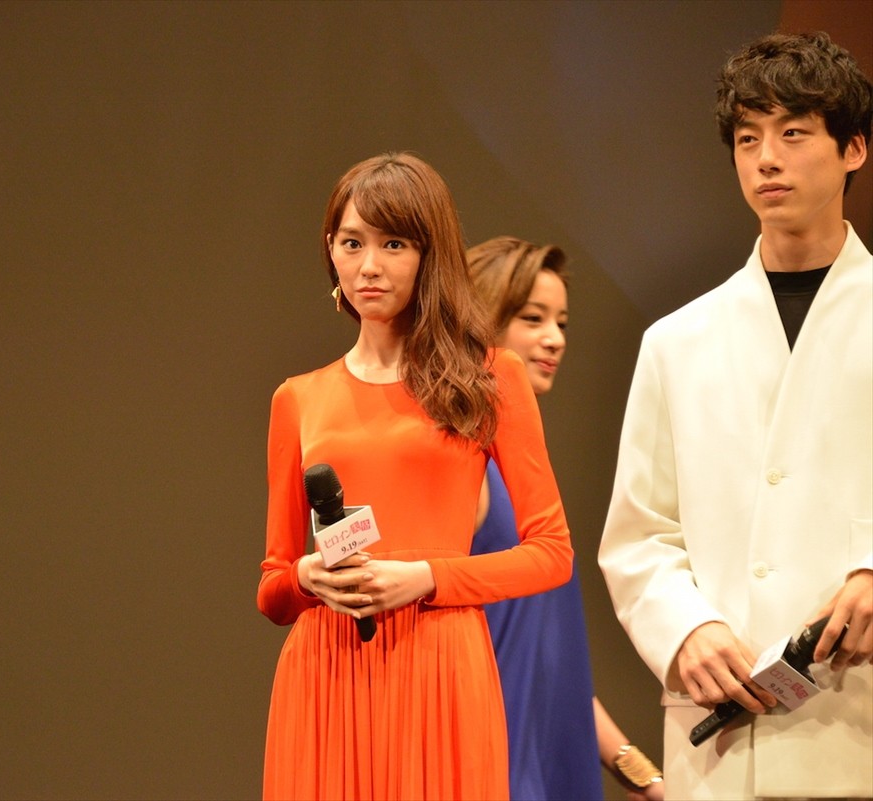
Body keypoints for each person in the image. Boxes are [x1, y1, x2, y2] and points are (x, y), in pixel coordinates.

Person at [598, 31, 871, 799]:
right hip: (724, 740)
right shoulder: (678, 340)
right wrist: (685, 628)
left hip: (858, 724)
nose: (766, 159)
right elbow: (640, 533)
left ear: (853, 148)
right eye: (748, 139)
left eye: (794, 133)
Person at [257, 152, 573, 800]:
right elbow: (273, 588)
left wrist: (426, 578)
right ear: (331, 252)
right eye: (352, 243)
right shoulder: (297, 397)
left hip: (440, 664)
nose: (369, 265)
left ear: (431, 254)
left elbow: (552, 554)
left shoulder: (492, 376)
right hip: (326, 674)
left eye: (393, 244)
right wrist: (307, 576)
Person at [467, 236, 663, 800]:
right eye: (532, 319)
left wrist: (646, 779)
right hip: (490, 773)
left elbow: (550, 666)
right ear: (479, 324)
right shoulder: (462, 464)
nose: (554, 338)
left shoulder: (523, 475)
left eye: (561, 322)